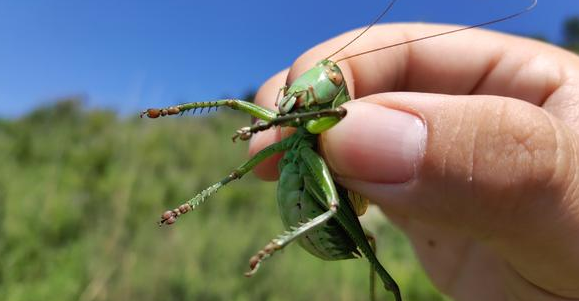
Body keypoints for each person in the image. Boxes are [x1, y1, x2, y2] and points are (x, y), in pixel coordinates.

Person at [248, 24, 579, 300]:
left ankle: (282, 250)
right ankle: (193, 203)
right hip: (307, 172)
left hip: (327, 205)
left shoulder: (340, 119)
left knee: (347, 222)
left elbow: (336, 115)